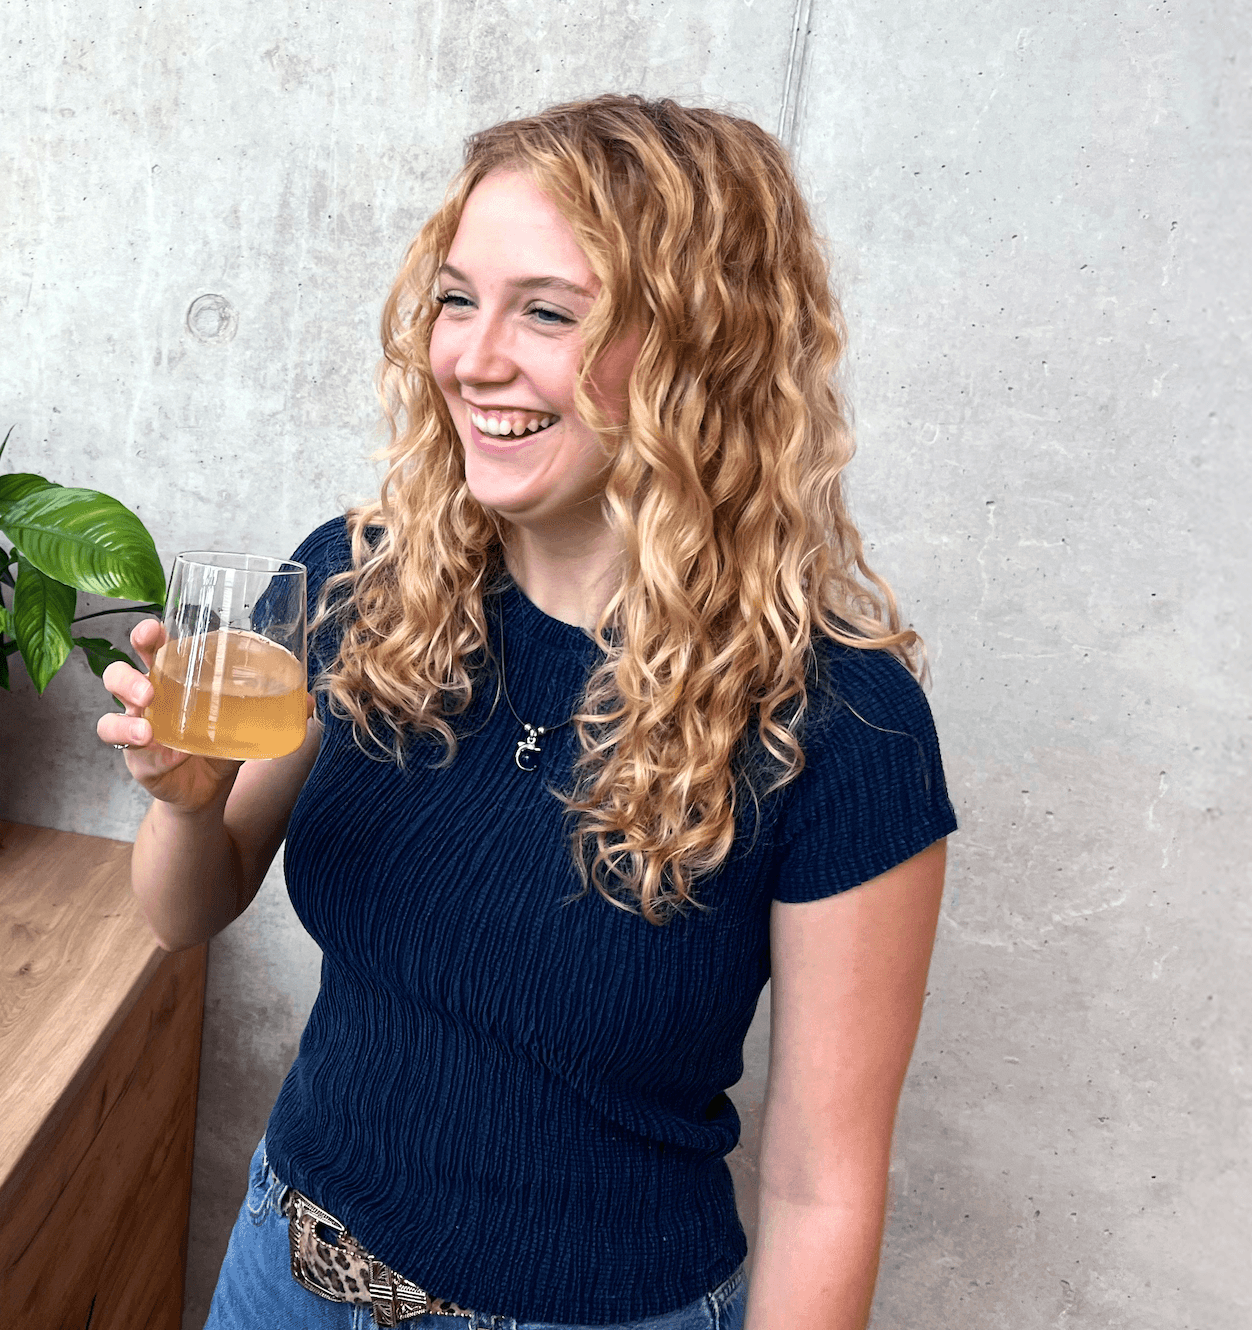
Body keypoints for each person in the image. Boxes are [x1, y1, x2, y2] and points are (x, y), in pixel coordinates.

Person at [99, 96, 953, 1330]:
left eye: (548, 311)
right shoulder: (361, 582)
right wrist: (185, 806)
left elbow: (823, 1188)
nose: (473, 357)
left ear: (696, 346)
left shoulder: (838, 723)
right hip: (286, 1273)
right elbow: (186, 910)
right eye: (457, 298)